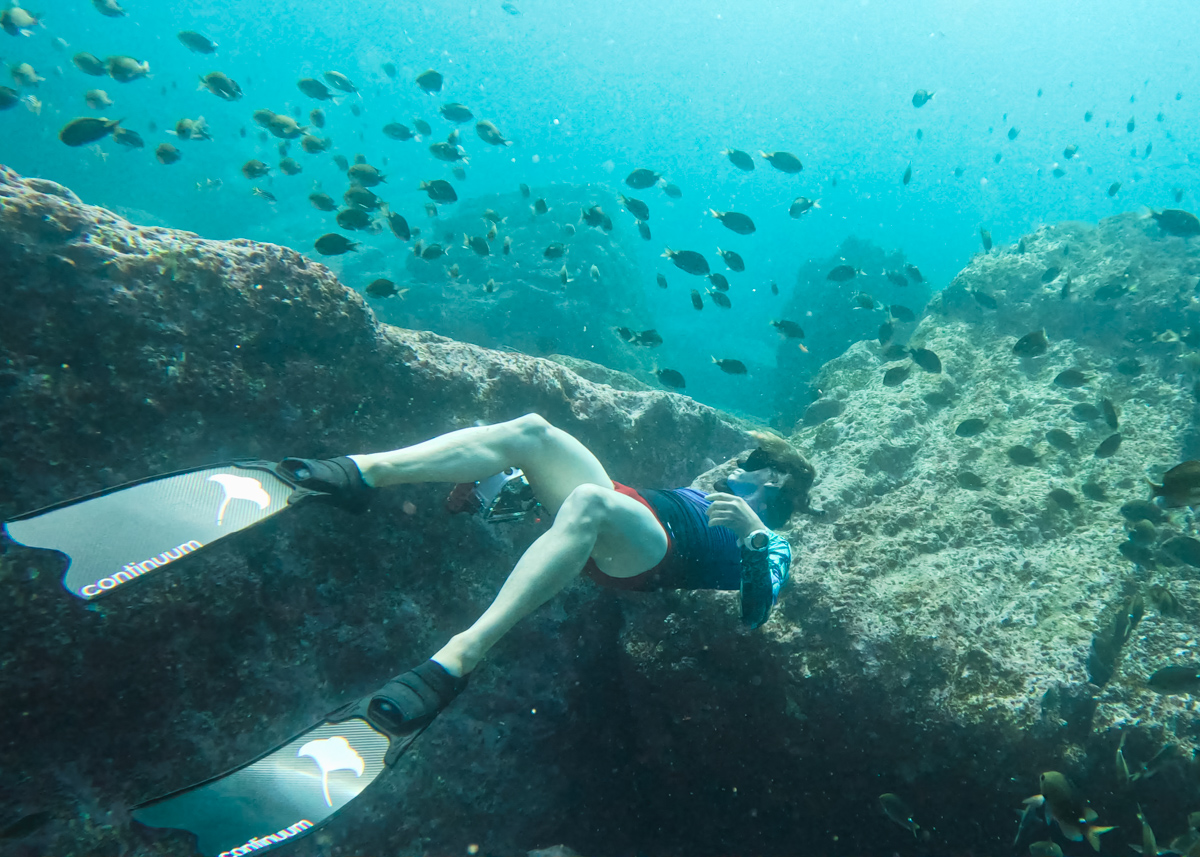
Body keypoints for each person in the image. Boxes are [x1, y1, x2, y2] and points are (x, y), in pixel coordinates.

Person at [278, 413, 815, 738]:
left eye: (757, 464)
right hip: (618, 504)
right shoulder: (709, 492)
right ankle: (362, 474)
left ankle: (457, 658)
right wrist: (502, 483)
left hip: (649, 553)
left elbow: (755, 615)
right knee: (532, 431)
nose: (742, 466)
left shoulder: (775, 540)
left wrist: (756, 536)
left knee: (589, 501)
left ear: (776, 489)